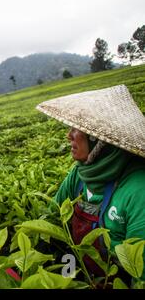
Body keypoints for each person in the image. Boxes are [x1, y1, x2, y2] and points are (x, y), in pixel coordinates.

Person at [36, 84, 145, 280]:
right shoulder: (80, 174)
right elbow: (53, 218)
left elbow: (140, 273)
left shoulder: (138, 190)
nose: (69, 135)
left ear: (98, 140)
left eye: (77, 129)